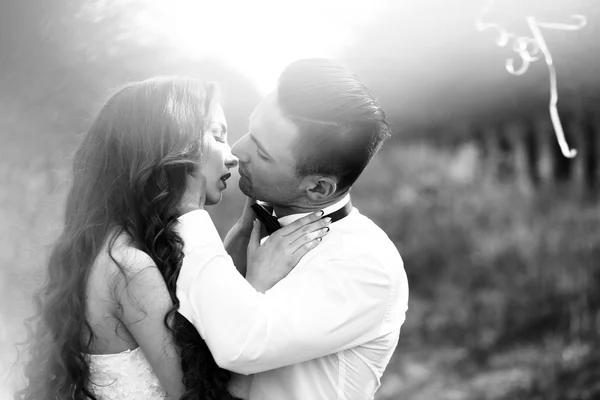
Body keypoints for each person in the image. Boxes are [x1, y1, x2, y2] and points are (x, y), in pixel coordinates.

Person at [15, 77, 330, 400]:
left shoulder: (114, 248)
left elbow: (198, 333)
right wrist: (258, 286)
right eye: (217, 136)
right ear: (176, 146)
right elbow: (204, 394)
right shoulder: (129, 269)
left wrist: (237, 240)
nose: (232, 156)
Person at [175, 58, 410, 400]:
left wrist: (189, 210)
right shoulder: (250, 230)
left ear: (318, 189)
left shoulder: (365, 265)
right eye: (250, 129)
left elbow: (239, 347)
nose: (238, 151)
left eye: (263, 153)